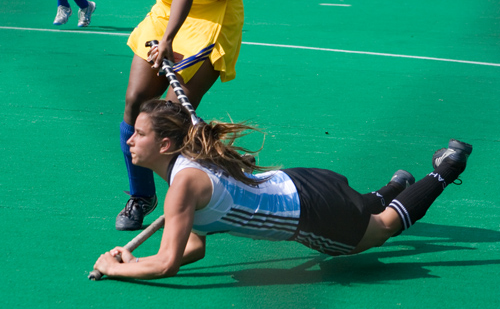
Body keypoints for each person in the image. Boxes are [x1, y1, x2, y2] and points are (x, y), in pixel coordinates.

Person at [93, 100, 473, 280]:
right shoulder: (186, 173)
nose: (130, 141)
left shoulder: (183, 185)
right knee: (361, 209)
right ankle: (395, 185)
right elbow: (192, 246)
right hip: (302, 181)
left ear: (164, 145)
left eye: (139, 134)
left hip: (310, 213)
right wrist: (137, 263)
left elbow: (167, 264)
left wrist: (114, 267)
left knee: (382, 229)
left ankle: (445, 168)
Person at [116, 0, 244, 231]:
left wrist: (168, 39)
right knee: (134, 101)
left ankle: (188, 196)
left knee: (172, 116)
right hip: (166, 8)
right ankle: (141, 196)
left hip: (211, 14)